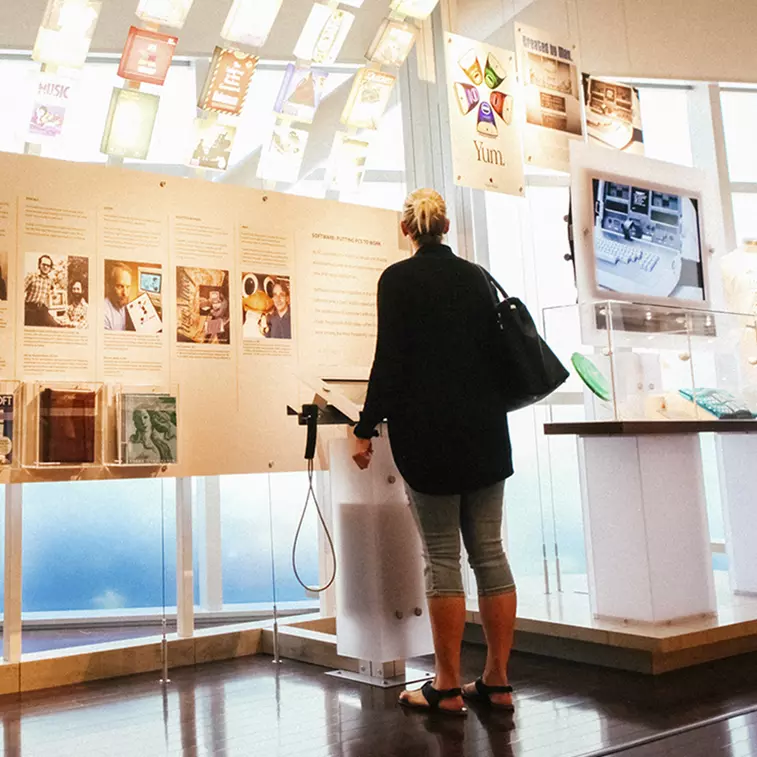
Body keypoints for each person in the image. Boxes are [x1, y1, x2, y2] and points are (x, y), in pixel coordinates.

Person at [352, 188, 516, 716]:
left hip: (428, 436)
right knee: (490, 554)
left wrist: (364, 425)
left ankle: (446, 686)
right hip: (486, 431)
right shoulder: (476, 278)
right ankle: (497, 681)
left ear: (407, 231)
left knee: (442, 558)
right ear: (445, 226)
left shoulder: (396, 281)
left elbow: (389, 361)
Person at [24, 254, 61, 327]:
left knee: (55, 326)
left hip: (43, 310)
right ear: (39, 265)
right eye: (44, 264)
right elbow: (20, 290)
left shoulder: (50, 280)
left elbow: (54, 292)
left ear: (50, 268)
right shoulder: (31, 276)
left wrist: (55, 292)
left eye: (48, 265)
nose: (46, 267)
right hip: (30, 309)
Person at [104, 263, 132, 331]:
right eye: (120, 286)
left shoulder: (122, 303)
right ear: (109, 286)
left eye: (128, 287)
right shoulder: (103, 314)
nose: (125, 293)